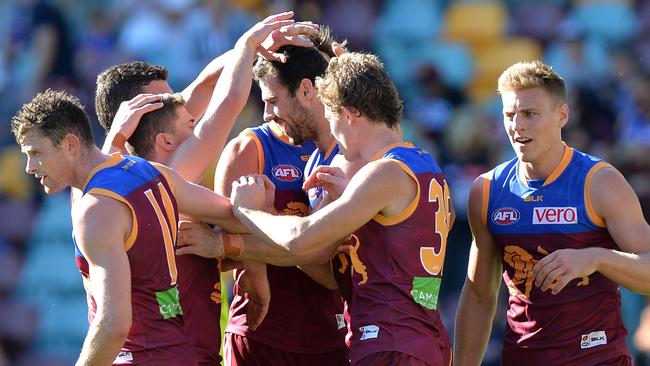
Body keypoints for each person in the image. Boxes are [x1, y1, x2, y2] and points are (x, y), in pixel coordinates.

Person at [93, 13, 317, 365]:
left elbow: (202, 87)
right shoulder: (159, 175)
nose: (182, 105)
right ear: (152, 128)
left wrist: (257, 52)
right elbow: (228, 101)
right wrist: (248, 44)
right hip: (175, 353)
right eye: (165, 103)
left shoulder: (107, 179)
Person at [224, 52, 453, 366]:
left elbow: (300, 239)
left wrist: (248, 211)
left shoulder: (382, 173)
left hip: (388, 341)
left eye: (330, 117)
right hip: (423, 339)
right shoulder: (426, 165)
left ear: (347, 115)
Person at [10, 89, 248, 365]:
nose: (29, 167)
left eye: (36, 152)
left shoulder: (96, 209)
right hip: (182, 350)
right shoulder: (147, 170)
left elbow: (114, 325)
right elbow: (234, 215)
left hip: (140, 357)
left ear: (71, 144)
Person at [453, 60, 650, 366]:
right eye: (509, 115)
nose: (518, 125)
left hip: (597, 358)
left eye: (530, 114)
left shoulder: (600, 182)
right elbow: (479, 295)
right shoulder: (488, 190)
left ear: (562, 115)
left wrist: (596, 257)